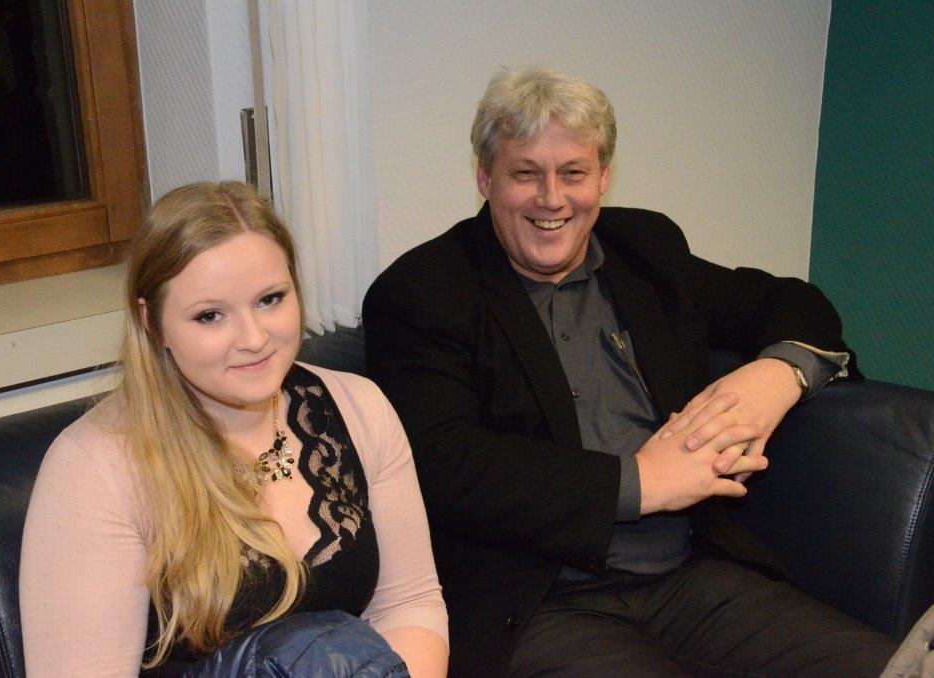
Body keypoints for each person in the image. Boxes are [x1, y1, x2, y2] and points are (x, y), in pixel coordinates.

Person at [363, 67, 897, 676]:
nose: (551, 198)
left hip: (690, 576)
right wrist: (642, 482)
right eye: (525, 173)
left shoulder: (645, 250)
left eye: (573, 173)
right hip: (538, 604)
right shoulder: (423, 291)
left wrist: (777, 377)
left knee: (891, 668)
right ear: (485, 178)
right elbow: (442, 463)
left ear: (603, 178)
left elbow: (790, 301)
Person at [20, 182, 449, 677]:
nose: (253, 338)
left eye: (270, 299)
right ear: (152, 322)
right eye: (210, 315)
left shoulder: (359, 408)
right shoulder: (93, 467)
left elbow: (408, 605)